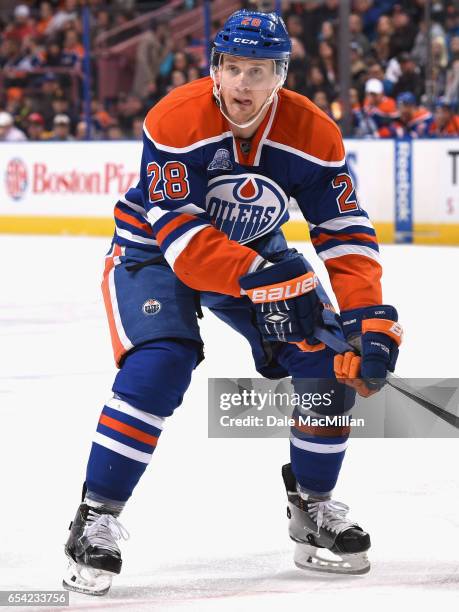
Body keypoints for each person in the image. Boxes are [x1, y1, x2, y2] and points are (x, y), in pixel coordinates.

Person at [62, 10, 402, 595]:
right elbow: (184, 241)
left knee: (327, 359)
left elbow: (343, 230)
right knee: (160, 364)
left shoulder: (314, 133)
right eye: (233, 68)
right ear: (215, 68)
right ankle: (95, 517)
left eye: (260, 71)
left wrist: (367, 317)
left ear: (282, 76)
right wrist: (269, 280)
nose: (243, 84)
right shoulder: (175, 119)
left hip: (256, 253)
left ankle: (313, 507)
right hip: (154, 253)